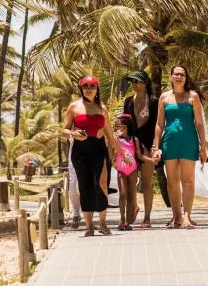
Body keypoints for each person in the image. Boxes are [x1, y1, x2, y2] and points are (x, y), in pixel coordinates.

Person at [63, 75, 131, 237]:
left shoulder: (102, 107)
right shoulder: (74, 107)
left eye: (92, 86)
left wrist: (123, 155)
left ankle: (102, 222)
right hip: (80, 150)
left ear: (96, 88)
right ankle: (89, 226)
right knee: (84, 186)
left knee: (101, 185)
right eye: (85, 87)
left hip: (98, 149)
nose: (89, 89)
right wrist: (72, 133)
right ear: (81, 88)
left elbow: (111, 136)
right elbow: (63, 130)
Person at [153, 65, 208, 229]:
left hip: (189, 141)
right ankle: (176, 216)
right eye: (176, 74)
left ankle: (187, 217)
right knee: (172, 180)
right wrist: (155, 146)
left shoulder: (193, 96)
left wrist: (203, 147)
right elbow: (159, 123)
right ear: (171, 77)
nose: (179, 77)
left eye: (182, 75)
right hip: (169, 141)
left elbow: (199, 123)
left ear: (186, 78)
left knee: (188, 180)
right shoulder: (164, 97)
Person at [122, 69, 164, 228]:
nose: (134, 84)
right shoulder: (128, 101)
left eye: (137, 81)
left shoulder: (154, 101)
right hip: (131, 144)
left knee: (146, 181)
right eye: (132, 81)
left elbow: (158, 126)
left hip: (148, 144)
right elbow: (124, 124)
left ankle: (147, 217)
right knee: (130, 181)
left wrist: (155, 147)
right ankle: (134, 208)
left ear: (145, 83)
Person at [113, 113, 142, 230]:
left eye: (121, 127)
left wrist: (151, 159)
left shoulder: (134, 140)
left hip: (133, 169)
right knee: (123, 194)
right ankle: (122, 219)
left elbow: (139, 155)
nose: (118, 129)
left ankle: (128, 221)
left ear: (127, 127)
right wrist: (114, 136)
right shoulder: (116, 140)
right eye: (116, 127)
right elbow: (110, 145)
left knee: (131, 195)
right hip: (121, 169)